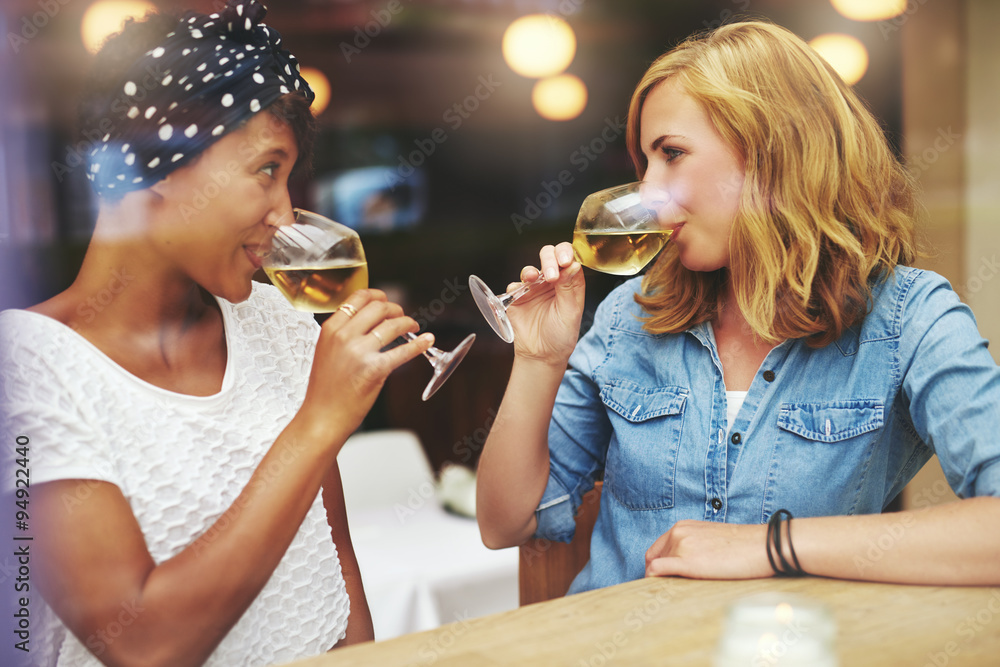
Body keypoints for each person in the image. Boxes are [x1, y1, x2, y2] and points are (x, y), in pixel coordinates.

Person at [475, 20, 1000, 593]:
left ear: (773, 153)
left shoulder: (908, 317)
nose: (649, 191)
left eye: (672, 154)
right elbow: (505, 525)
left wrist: (769, 546)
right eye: (645, 163)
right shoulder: (629, 314)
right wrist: (538, 361)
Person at [0, 1, 434, 665]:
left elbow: (336, 565)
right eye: (267, 169)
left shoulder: (282, 324)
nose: (286, 214)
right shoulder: (27, 366)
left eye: (290, 178)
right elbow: (143, 644)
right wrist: (319, 422)